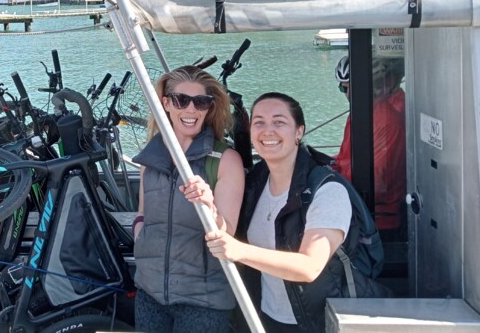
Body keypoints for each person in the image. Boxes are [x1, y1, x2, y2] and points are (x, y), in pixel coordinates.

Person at [188, 92, 353, 332]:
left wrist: (238, 251)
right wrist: (209, 205)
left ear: (299, 131)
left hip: (313, 321)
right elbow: (229, 233)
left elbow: (309, 267)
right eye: (259, 122)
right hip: (264, 315)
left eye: (279, 122)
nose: (268, 130)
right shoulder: (256, 181)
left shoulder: (327, 190)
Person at [131, 65, 245, 333]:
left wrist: (209, 205)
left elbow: (227, 230)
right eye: (182, 100)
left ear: (209, 107)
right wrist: (140, 234)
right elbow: (142, 214)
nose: (191, 110)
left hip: (203, 301)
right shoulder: (150, 158)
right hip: (149, 293)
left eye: (201, 102)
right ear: (166, 104)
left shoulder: (225, 160)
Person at [333, 56, 406, 233]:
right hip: (360, 209)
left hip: (376, 217)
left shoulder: (386, 120)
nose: (348, 95)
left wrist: (330, 178)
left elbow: (375, 179)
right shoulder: (360, 114)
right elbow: (346, 158)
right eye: (343, 88)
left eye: (353, 87)